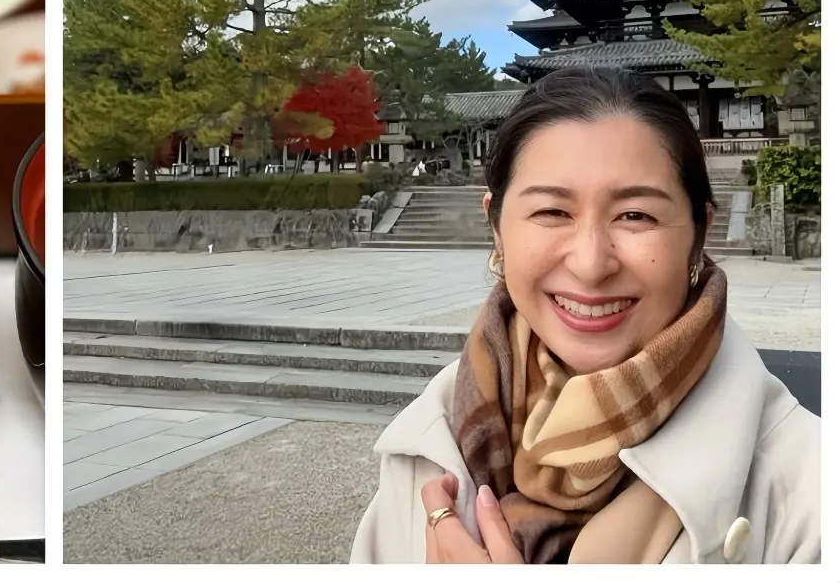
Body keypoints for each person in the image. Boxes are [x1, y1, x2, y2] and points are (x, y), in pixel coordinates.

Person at [351, 67, 819, 564]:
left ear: (698, 235)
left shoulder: (808, 490)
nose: (592, 265)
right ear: (497, 230)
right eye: (552, 212)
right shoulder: (431, 441)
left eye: (636, 215)